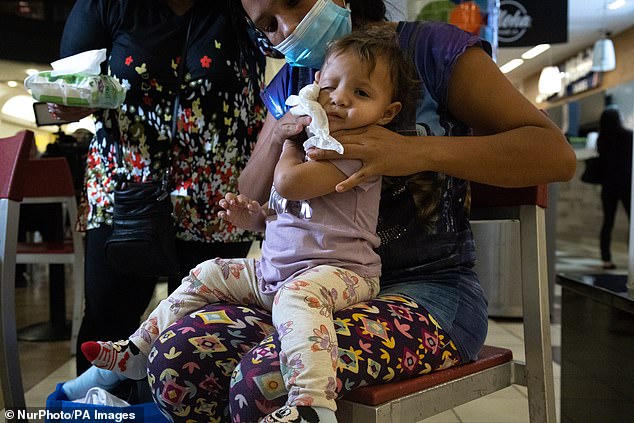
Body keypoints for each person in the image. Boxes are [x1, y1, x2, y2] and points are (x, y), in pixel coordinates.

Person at [145, 1, 577, 422]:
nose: (288, 28)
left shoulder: (432, 52)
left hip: (431, 292)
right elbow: (250, 193)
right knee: (176, 363)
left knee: (268, 379)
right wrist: (280, 135)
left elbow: (555, 155)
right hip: (308, 285)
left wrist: (413, 151)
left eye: (294, 3)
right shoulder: (295, 85)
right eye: (268, 26)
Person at [75, 29, 419, 423]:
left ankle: (313, 405)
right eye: (330, 87)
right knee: (208, 272)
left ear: (388, 112)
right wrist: (257, 217)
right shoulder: (314, 140)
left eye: (361, 94)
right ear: (313, 88)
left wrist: (288, 140)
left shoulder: (358, 147)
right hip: (276, 273)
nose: (340, 99)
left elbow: (290, 182)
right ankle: (137, 351)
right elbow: (287, 209)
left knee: (297, 298)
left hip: (341, 273)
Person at [49, 0, 266, 374]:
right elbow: (72, 79)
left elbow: (291, 39)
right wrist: (70, 103)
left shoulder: (240, 6)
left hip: (217, 197)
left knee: (200, 335)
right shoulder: (106, 4)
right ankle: (97, 407)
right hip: (126, 190)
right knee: (109, 319)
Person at [597, 106, 633, 269]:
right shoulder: (628, 136)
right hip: (626, 183)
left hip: (609, 185)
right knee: (632, 222)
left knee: (608, 221)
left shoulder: (602, 139)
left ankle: (606, 259)